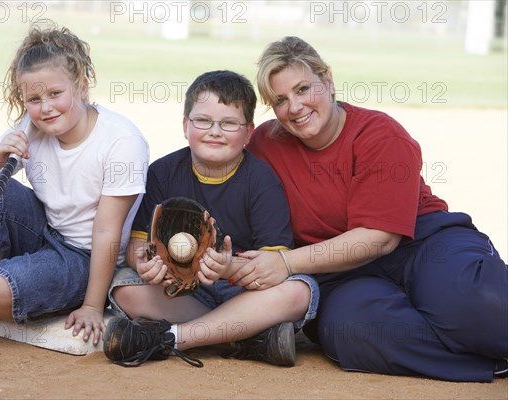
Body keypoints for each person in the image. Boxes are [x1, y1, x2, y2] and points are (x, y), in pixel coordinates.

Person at [234, 36, 508, 382]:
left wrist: (285, 262)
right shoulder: (266, 145)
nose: (295, 107)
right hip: (340, 271)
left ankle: (468, 321)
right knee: (355, 330)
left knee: (476, 298)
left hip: (422, 242)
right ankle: (489, 362)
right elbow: (226, 183)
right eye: (280, 100)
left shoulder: (380, 134)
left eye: (304, 89)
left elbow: (379, 239)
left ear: (328, 80)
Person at [0, 22, 149, 348]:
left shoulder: (122, 141)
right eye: (34, 98)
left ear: (81, 86)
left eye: (55, 94)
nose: (46, 107)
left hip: (86, 258)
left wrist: (93, 306)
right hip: (45, 232)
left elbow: (107, 231)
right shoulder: (31, 125)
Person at [102, 70, 318, 368]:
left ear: (248, 132)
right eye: (202, 121)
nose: (214, 131)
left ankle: (169, 337)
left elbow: (276, 263)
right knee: (124, 286)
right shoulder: (163, 172)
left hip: (242, 290)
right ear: (185, 125)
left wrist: (228, 267)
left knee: (300, 290)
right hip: (184, 289)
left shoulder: (260, 180)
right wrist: (146, 263)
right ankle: (245, 335)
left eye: (229, 123)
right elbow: (138, 243)